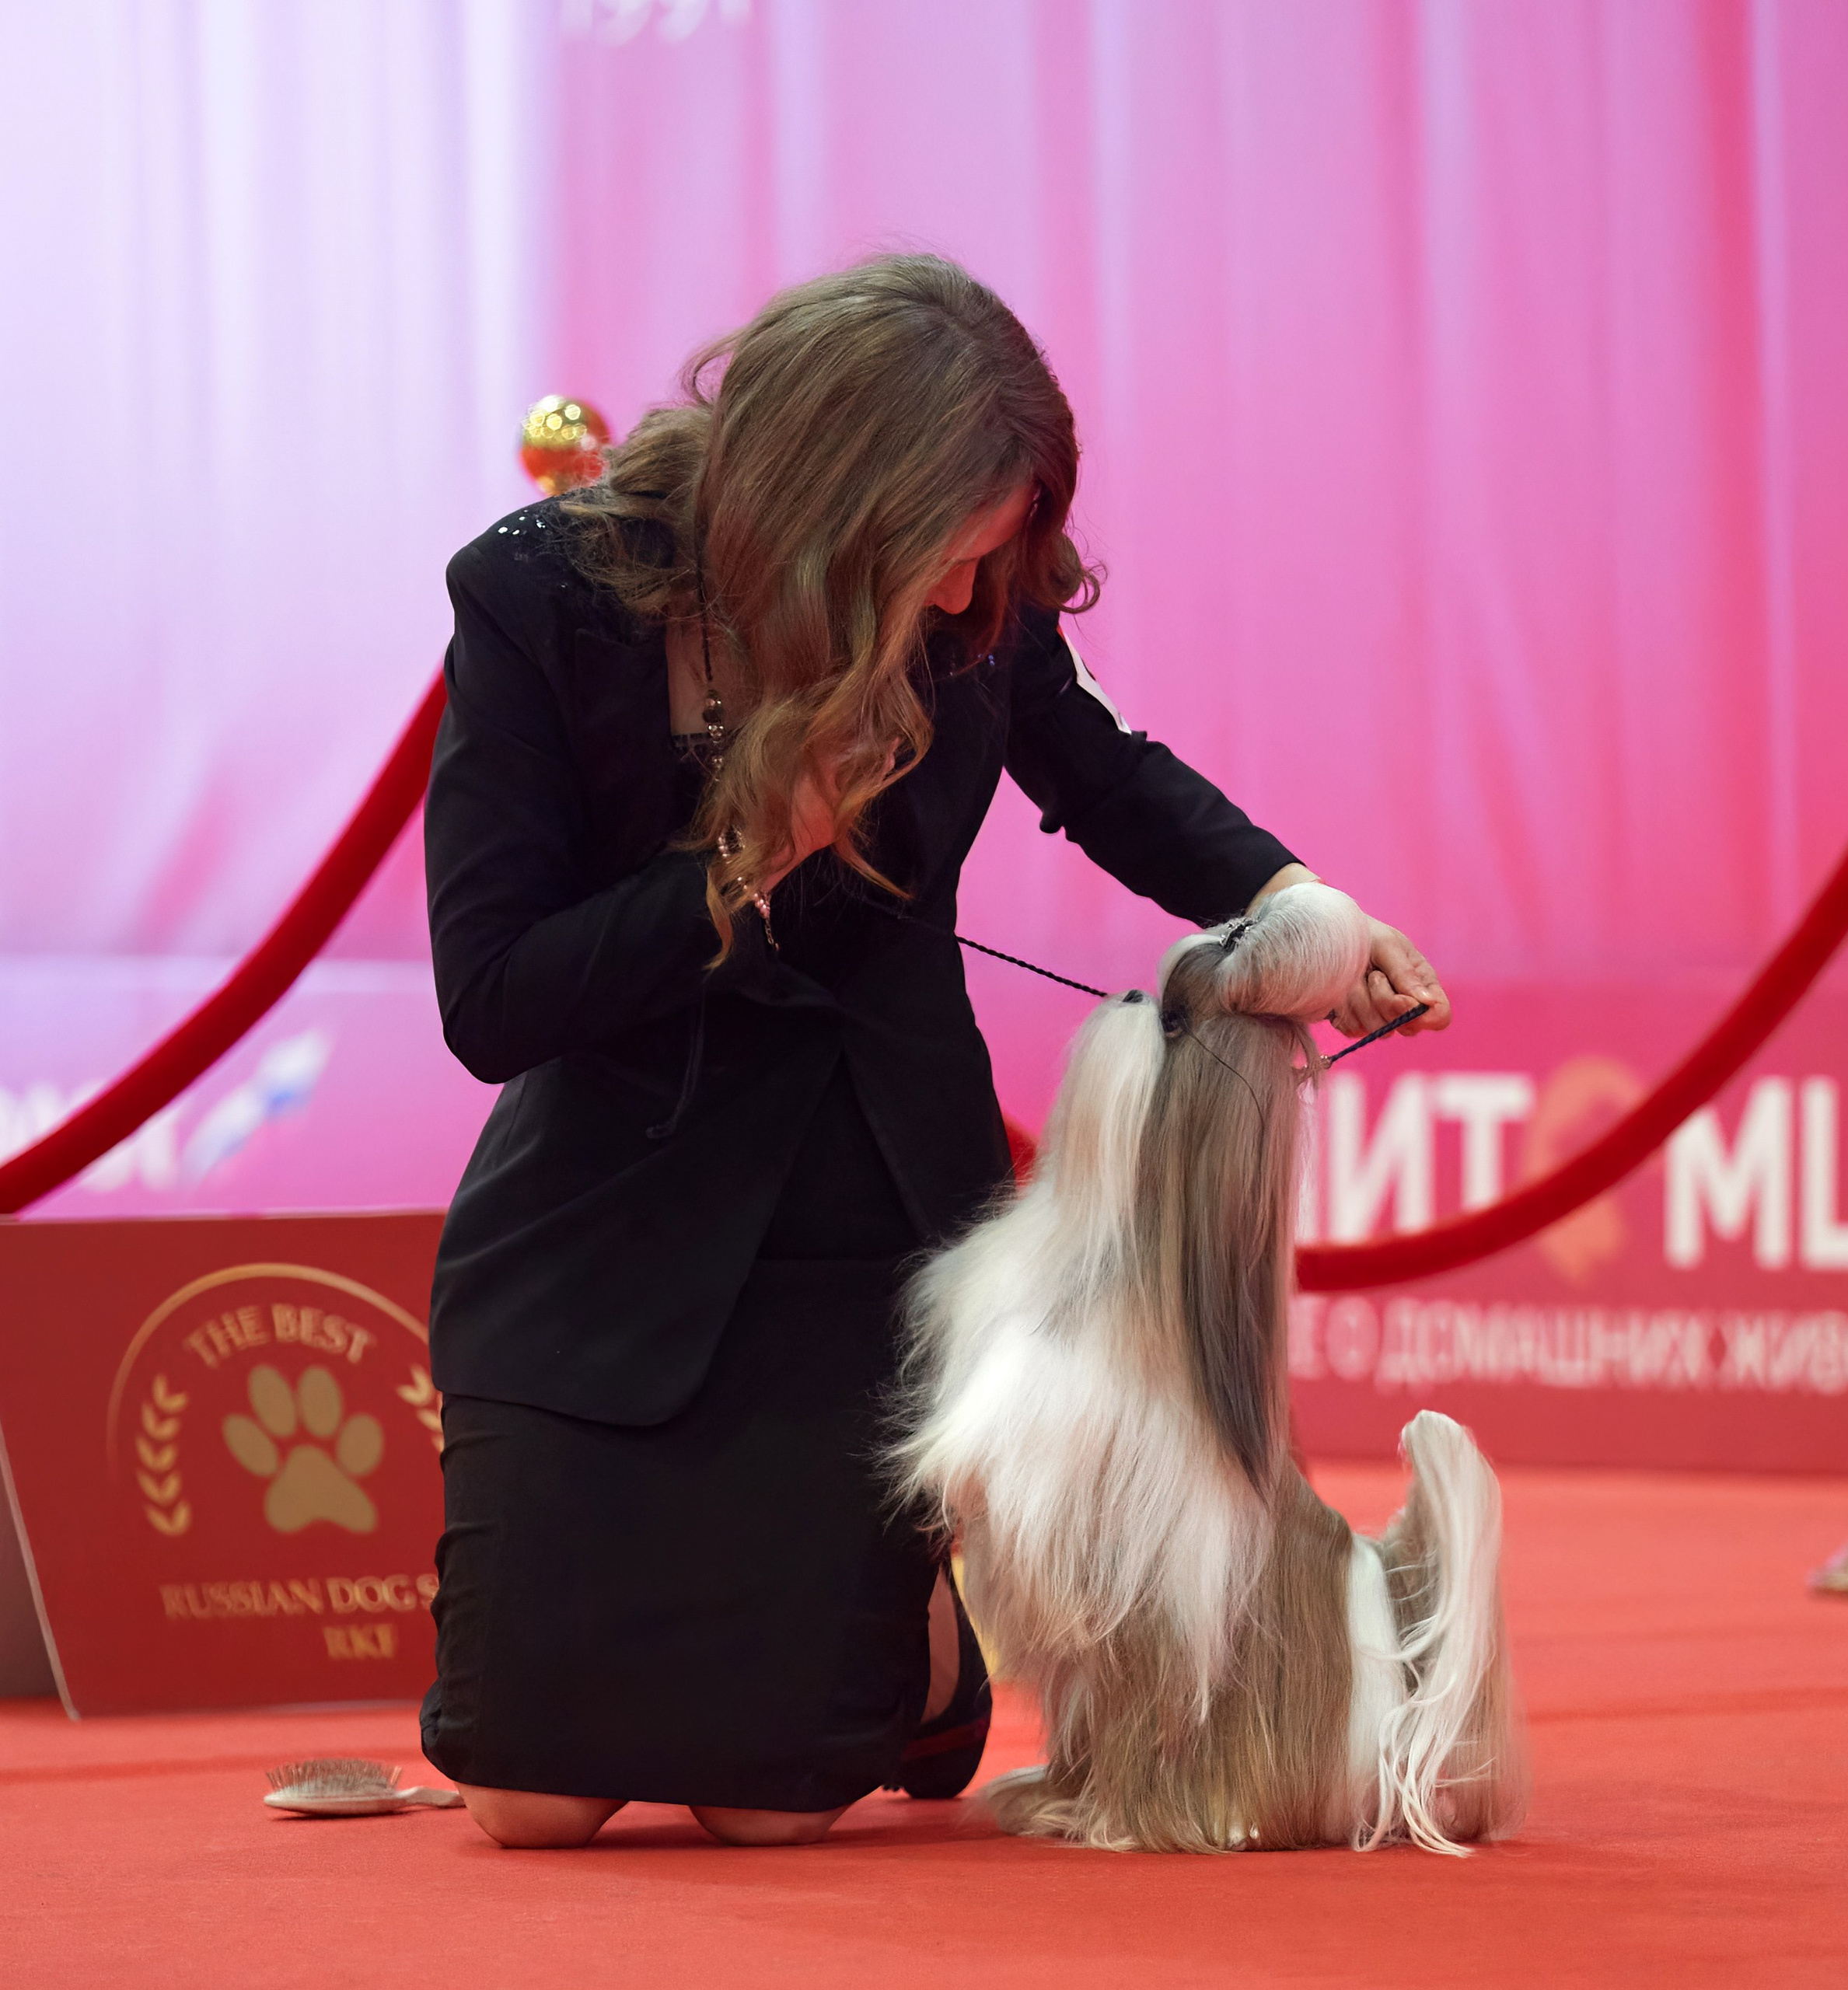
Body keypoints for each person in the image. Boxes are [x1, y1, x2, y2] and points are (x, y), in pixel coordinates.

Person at [417, 253, 1450, 1850]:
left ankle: (911, 1636)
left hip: (868, 1228)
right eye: (946, 562)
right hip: (593, 1246)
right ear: (832, 507)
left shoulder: (979, 608)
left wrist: (1295, 903)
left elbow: (1103, 773)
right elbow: (489, 997)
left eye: (995, 562)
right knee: (526, 1801)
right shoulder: (537, 595)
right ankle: (917, 1646)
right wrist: (738, 863)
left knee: (764, 1813)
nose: (973, 607)